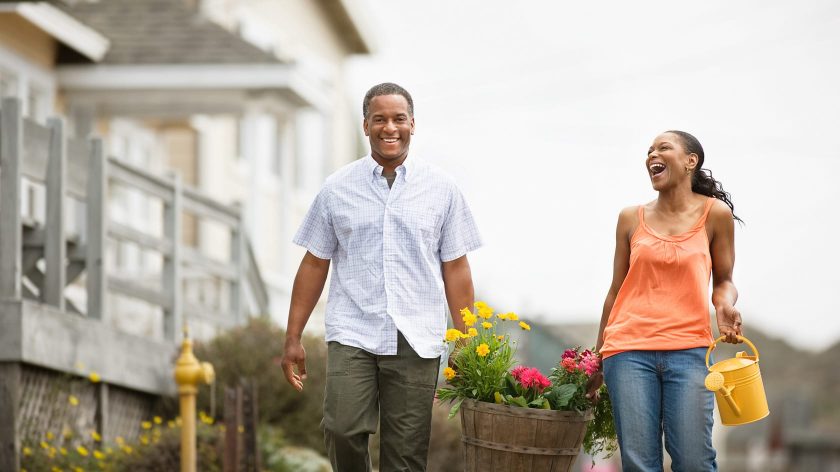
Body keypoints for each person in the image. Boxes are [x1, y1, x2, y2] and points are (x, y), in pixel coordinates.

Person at [280, 82, 482, 472]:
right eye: (380, 119)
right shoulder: (336, 188)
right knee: (341, 428)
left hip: (416, 338)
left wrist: (466, 339)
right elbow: (314, 264)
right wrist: (292, 337)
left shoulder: (442, 189)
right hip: (353, 330)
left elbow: (455, 267)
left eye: (398, 119)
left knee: (405, 456)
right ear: (365, 125)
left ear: (412, 124)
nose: (390, 127)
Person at [591, 130, 743, 471]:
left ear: (691, 161)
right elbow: (616, 290)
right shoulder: (630, 218)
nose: (651, 155)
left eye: (663, 148)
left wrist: (724, 306)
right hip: (628, 350)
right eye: (648, 151)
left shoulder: (715, 215)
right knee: (640, 463)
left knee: (695, 461)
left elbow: (724, 281)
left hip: (690, 350)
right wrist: (596, 356)